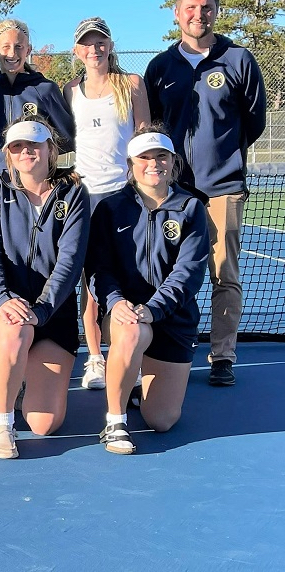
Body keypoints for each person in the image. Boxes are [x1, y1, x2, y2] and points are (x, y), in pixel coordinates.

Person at [145, 0, 267, 388]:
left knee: (223, 273)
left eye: (207, 7)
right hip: (173, 193)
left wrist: (222, 157)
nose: (199, 14)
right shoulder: (160, 68)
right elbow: (153, 128)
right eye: (191, 8)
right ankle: (167, 348)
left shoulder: (239, 60)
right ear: (177, 13)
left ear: (216, 11)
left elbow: (253, 122)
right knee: (168, 272)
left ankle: (222, 355)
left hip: (223, 189)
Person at [87, 129, 209, 453]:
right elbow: (99, 269)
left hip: (172, 318)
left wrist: (154, 309)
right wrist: (116, 303)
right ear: (131, 164)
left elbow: (188, 273)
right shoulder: (110, 209)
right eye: (144, 157)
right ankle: (115, 421)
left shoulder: (192, 208)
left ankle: (140, 384)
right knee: (129, 334)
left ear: (173, 162)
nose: (153, 163)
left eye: (161, 157)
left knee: (162, 420)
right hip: (127, 314)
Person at [0, 117, 89, 459]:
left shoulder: (73, 192)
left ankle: (21, 374)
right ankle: (0, 425)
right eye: (17, 146)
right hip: (5, 308)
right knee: (15, 332)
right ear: (9, 155)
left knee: (44, 423)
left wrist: (40, 311)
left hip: (53, 314)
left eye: (34, 145)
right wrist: (1, 299)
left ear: (51, 150)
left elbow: (70, 264)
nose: (26, 151)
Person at [63, 17, 150, 390]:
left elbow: (145, 135)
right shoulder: (68, 90)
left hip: (125, 196)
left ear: (110, 45)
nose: (95, 49)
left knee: (129, 277)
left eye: (101, 42)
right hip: (84, 198)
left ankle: (126, 354)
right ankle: (95, 359)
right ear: (77, 51)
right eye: (87, 43)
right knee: (90, 282)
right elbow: (63, 142)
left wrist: (138, 181)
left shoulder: (131, 84)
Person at [0, 18, 75, 186]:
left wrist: (40, 162)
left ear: (28, 50)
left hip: (35, 185)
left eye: (19, 47)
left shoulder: (45, 89)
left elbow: (68, 137)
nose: (12, 53)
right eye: (5, 47)